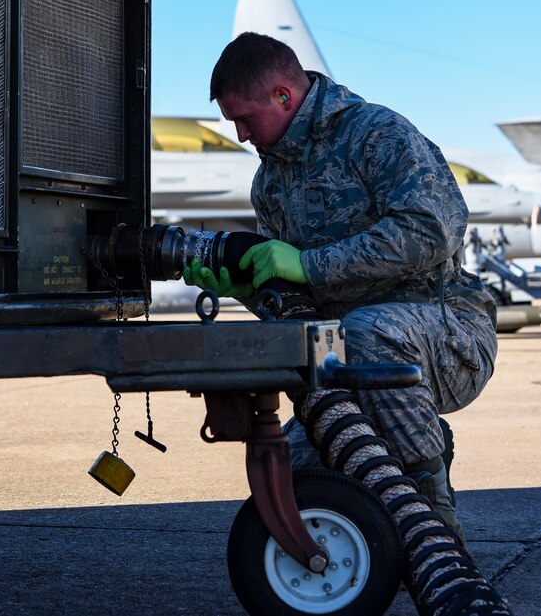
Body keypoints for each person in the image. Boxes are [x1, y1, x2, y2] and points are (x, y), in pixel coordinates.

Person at [183, 32, 497, 539]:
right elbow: (299, 304)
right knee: (298, 479)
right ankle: (415, 445)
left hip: (447, 335)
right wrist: (244, 287)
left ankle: (436, 528)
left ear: (283, 96)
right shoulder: (269, 183)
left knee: (365, 334)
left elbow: (433, 231)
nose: (240, 135)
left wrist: (307, 264)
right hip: (347, 356)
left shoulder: (376, 134)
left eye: (244, 118)